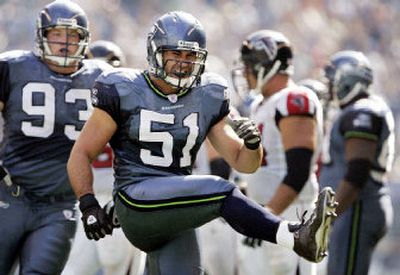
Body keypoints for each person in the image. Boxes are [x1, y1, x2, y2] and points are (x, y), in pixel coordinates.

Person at [67, 11, 337, 275]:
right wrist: (89, 204)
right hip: (136, 198)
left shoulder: (207, 95)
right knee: (221, 190)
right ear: (156, 52)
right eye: (175, 54)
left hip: (177, 209)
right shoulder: (123, 88)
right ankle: (295, 236)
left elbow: (243, 163)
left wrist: (253, 145)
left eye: (191, 56)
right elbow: (81, 153)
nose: (183, 63)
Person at [0, 1, 112, 274]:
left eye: (73, 36)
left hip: (60, 206)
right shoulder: (12, 67)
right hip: (9, 195)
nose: (64, 43)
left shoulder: (102, 77)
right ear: (42, 36)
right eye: (57, 34)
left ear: (85, 41)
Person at [232, 30, 327, 275]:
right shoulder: (260, 104)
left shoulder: (295, 99)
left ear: (266, 64)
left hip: (290, 214)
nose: (245, 72)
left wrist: (267, 216)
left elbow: (299, 172)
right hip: (269, 213)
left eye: (249, 65)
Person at [63, 40, 146, 275]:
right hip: (105, 198)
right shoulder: (134, 100)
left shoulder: (68, 102)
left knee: (76, 269)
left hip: (93, 198)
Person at [319, 50, 394, 275]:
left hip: (357, 207)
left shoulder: (362, 111)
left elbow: (356, 174)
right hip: (353, 208)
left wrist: (327, 217)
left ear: (347, 80)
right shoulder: (358, 109)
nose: (329, 87)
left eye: (332, 81)